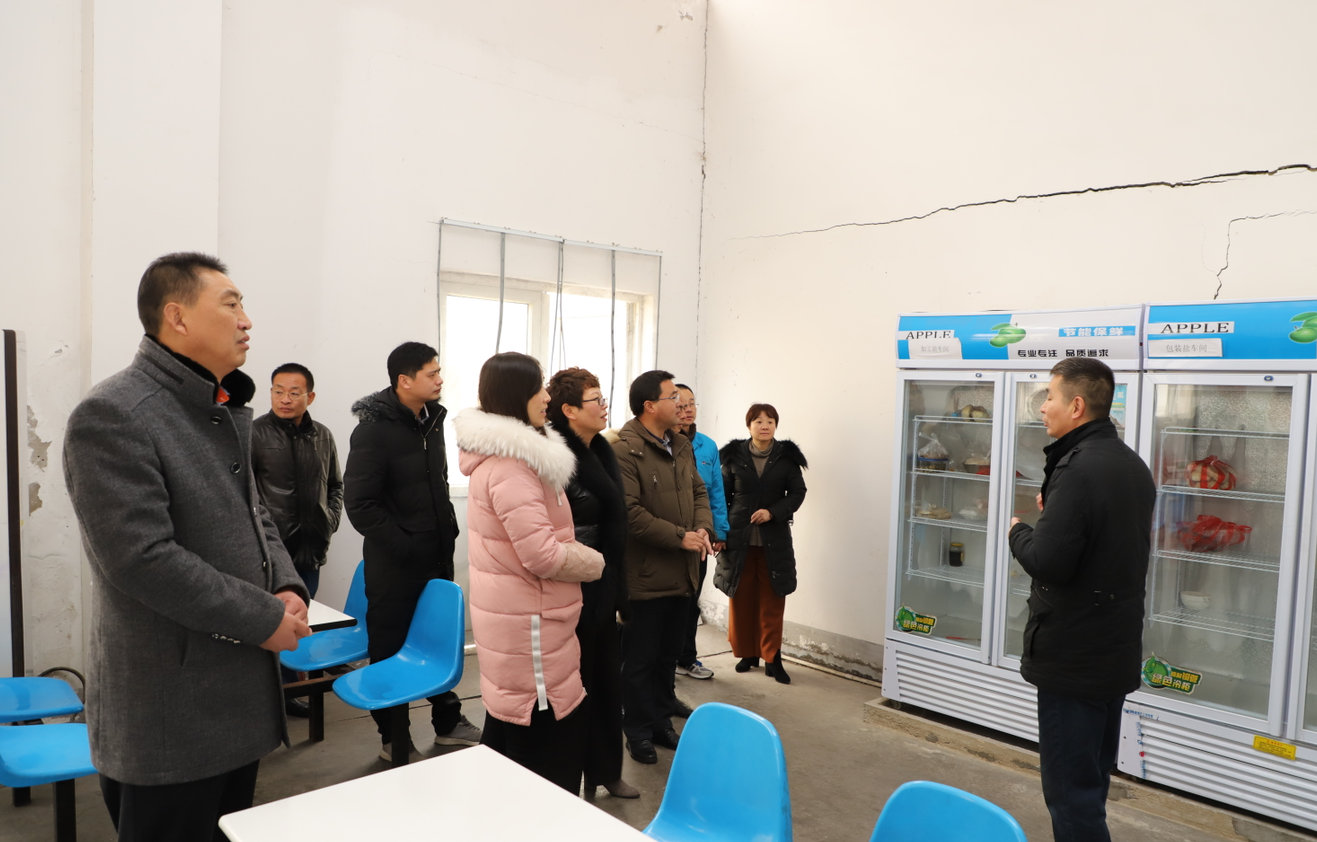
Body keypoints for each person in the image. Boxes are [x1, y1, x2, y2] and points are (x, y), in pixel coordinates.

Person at [64, 252, 311, 841]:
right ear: (177, 317)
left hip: (234, 695)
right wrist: (262, 618)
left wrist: (283, 583)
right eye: (231, 304)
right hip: (170, 712)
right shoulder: (116, 413)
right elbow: (142, 559)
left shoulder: (216, 408)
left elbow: (254, 513)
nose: (246, 320)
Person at [1008, 358, 1155, 842]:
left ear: (1076, 406)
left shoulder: (1077, 468)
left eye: (1049, 397)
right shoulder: (1131, 464)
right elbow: (1101, 540)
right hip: (1112, 651)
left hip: (1073, 657)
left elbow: (1048, 561)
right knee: (1091, 784)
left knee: (1071, 798)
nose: (1042, 407)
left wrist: (1019, 531)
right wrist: (1058, 515)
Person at [455, 352, 605, 792]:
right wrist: (594, 562)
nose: (546, 397)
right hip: (532, 627)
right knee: (542, 749)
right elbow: (541, 554)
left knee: (513, 732)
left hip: (526, 617)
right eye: (538, 388)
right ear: (514, 395)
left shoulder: (513, 456)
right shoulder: (512, 466)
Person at [344, 341, 481, 759]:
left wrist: (447, 532)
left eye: (439, 371)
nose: (440, 380)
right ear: (405, 381)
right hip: (395, 565)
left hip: (436, 556)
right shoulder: (373, 430)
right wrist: (404, 546)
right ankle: (394, 738)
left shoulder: (432, 420)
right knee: (390, 649)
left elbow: (435, 483)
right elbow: (360, 504)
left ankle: (448, 723)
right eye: (431, 373)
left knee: (437, 641)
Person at [613, 370, 714, 764]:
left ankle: (660, 723)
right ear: (650, 406)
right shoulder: (625, 450)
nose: (681, 404)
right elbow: (629, 512)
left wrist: (703, 527)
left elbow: (699, 490)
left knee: (667, 656)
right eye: (673, 397)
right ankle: (637, 731)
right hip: (646, 574)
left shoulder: (681, 445)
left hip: (683, 571)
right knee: (640, 660)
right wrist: (679, 537)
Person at [547, 368, 638, 799]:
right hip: (572, 586)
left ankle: (604, 770)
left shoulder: (600, 449)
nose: (604, 407)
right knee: (575, 686)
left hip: (603, 584)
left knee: (606, 682)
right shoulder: (554, 456)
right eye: (596, 400)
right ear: (568, 410)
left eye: (604, 399)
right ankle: (567, 776)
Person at [251, 362, 344, 717]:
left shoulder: (323, 435)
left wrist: (329, 522)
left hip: (311, 549)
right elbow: (244, 492)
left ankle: (291, 690)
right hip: (271, 552)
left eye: (293, 392)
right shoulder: (254, 433)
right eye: (278, 391)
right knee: (270, 621)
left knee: (302, 621)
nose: (284, 399)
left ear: (310, 396)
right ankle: (274, 694)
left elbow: (335, 486)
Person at [715, 403, 808, 684]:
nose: (764, 425)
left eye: (770, 421)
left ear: (776, 426)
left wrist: (773, 512)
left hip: (773, 541)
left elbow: (798, 492)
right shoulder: (733, 457)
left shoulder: (786, 458)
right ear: (749, 426)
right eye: (758, 420)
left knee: (772, 601)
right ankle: (747, 654)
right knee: (741, 600)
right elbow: (721, 497)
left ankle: (772, 658)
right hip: (738, 540)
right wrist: (721, 532)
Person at [673, 384, 728, 681]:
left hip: (701, 534)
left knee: (691, 599)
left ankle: (686, 658)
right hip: (671, 535)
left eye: (691, 404)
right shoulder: (662, 443)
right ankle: (662, 661)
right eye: (681, 405)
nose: (687, 410)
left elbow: (715, 492)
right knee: (668, 602)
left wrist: (719, 531)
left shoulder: (707, 446)